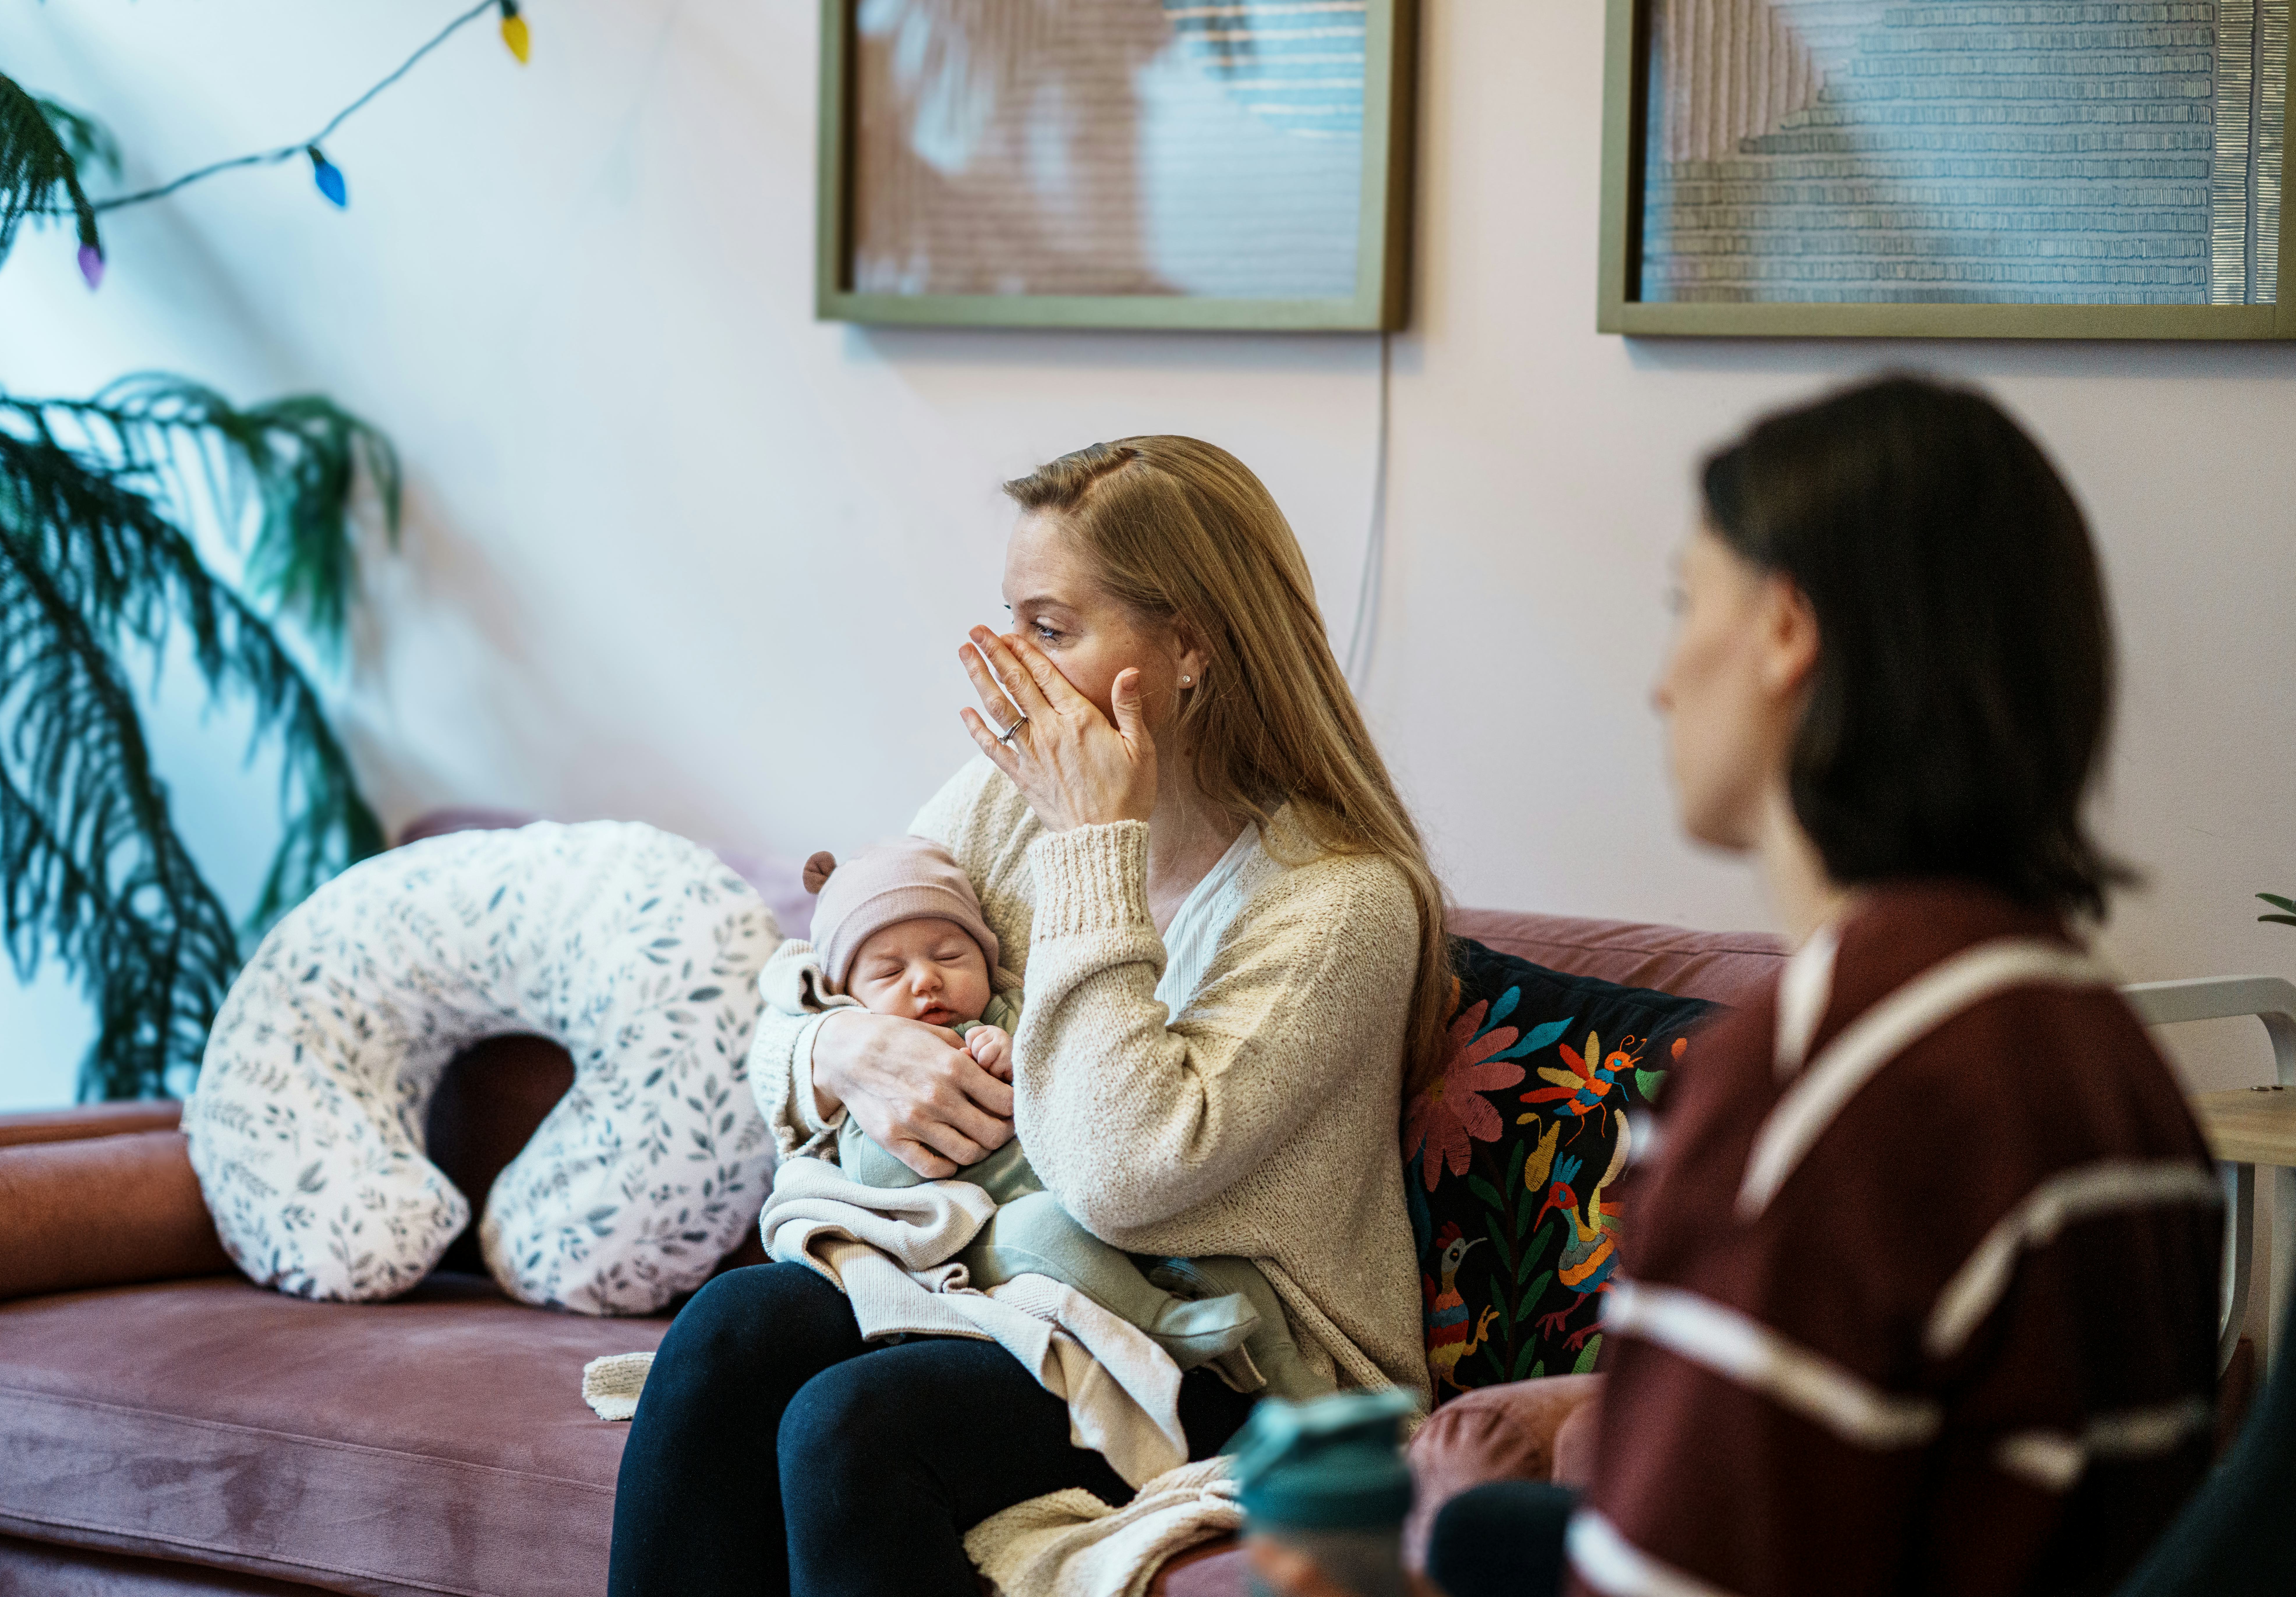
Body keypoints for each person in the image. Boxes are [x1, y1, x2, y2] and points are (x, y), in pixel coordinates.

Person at [1261, 374, 2223, 1597]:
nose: (1662, 679)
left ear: (1784, 630)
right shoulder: (2100, 1045)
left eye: (1683, 605)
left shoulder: (1816, 1080)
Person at [608, 435, 1450, 1597]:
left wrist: (1095, 846)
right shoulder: (1002, 805)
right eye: (1011, 621)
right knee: (730, 1330)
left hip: (1230, 1354)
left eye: (1050, 629)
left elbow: (1117, 1173)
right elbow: (812, 980)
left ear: (1190, 647)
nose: (1013, 667)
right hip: (1012, 1288)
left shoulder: (1341, 904)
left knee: (855, 1427)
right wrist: (835, 1047)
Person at [765, 834, 1325, 1393]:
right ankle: (1164, 1327)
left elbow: (1090, 1078)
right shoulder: (871, 1083)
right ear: (851, 1001)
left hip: (1108, 1199)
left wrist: (1022, 1060)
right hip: (984, 1227)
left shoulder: (1016, 1016)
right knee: (1045, 1231)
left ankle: (1295, 1384)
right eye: (889, 973)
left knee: (1228, 1263)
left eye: (949, 956)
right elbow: (877, 1175)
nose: (926, 979)